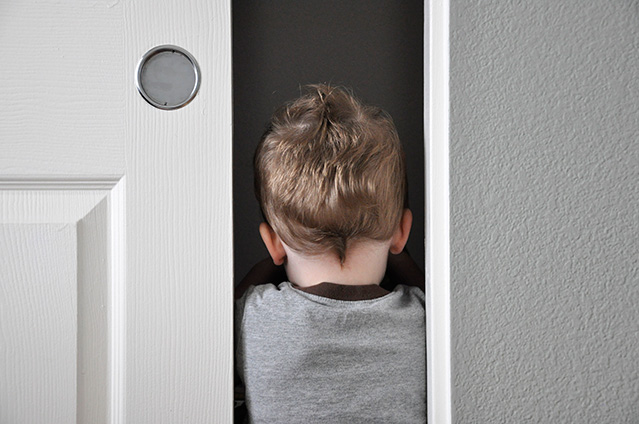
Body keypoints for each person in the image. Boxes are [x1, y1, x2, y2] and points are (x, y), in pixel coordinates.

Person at [235, 84, 425, 423]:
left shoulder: (253, 314)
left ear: (273, 242)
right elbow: (444, 308)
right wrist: (401, 256)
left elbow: (234, 303)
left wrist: (274, 257)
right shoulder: (423, 318)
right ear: (401, 231)